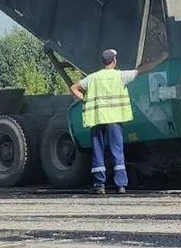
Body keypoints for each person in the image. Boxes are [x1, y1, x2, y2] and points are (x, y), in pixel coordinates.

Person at [70, 48, 163, 194]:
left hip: (97, 118)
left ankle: (99, 185)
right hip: (114, 119)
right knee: (116, 151)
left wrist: (86, 100)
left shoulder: (92, 78)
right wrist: (158, 61)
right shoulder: (120, 76)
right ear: (114, 61)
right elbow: (139, 71)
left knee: (98, 151)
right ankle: (120, 185)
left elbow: (73, 88)